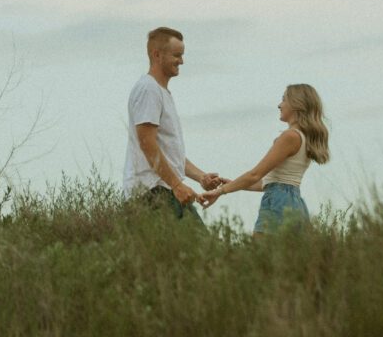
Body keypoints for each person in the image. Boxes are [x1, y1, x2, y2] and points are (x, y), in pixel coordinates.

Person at [123, 26, 224, 223]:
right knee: (199, 250)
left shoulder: (162, 92)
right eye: (177, 55)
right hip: (151, 193)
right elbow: (147, 144)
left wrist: (200, 177)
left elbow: (169, 152)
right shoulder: (148, 89)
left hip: (168, 190)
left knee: (202, 251)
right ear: (157, 55)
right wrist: (178, 185)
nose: (182, 61)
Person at [199, 84, 329, 234]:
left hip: (278, 203)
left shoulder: (290, 136)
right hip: (294, 202)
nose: (279, 105)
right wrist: (235, 184)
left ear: (296, 104)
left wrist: (219, 192)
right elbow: (272, 183)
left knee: (262, 255)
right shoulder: (303, 137)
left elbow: (255, 174)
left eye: (284, 100)